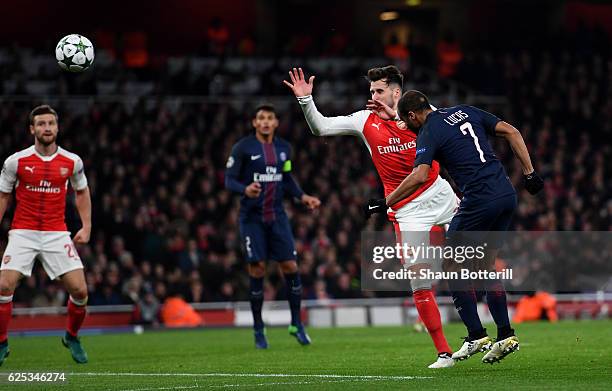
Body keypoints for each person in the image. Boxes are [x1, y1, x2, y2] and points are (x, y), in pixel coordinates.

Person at [284, 66, 459, 368]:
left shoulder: (421, 114)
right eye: (371, 92)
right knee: (420, 281)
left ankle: (495, 332)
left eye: (379, 91)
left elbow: (449, 134)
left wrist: (396, 116)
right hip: (406, 209)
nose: (373, 97)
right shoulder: (364, 120)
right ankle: (444, 353)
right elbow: (321, 128)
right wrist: (306, 101)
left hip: (440, 193)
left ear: (395, 92)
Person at [377, 90, 544, 364]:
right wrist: (529, 173)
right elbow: (512, 131)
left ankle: (476, 335)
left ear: (412, 115)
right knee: (486, 265)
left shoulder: (428, 131)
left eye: (407, 123)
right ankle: (505, 334)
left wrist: (387, 201)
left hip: (478, 201)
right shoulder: (466, 110)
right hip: (505, 195)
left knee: (452, 264)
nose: (408, 128)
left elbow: (420, 175)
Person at [0, 105, 92, 365]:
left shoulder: (72, 161)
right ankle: (1, 342)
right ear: (32, 129)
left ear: (57, 127)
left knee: (80, 291)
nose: (47, 128)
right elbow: (4, 195)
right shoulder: (16, 161)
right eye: (41, 124)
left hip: (56, 233)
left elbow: (82, 192)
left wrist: (86, 227)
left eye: (51, 123)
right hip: (23, 232)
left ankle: (71, 336)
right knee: (4, 285)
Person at [225, 104, 320, 349]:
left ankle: (296, 323)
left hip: (277, 216)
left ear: (276, 123)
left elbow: (286, 178)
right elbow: (229, 180)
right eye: (261, 118)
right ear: (255, 123)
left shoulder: (284, 149)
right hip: (252, 217)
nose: (265, 122)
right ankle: (258, 329)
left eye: (270, 118)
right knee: (257, 269)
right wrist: (244, 189)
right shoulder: (243, 148)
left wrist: (302, 197)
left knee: (290, 266)